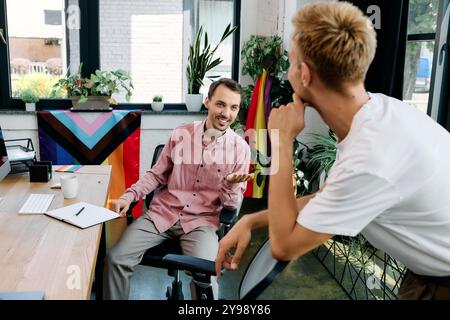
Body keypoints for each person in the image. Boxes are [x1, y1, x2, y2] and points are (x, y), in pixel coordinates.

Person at [216, 2, 450, 300]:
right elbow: (326, 197)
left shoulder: (370, 157)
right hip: (427, 272)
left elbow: (284, 245)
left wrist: (283, 141)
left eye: (290, 63)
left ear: (305, 74)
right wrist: (251, 219)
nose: (287, 72)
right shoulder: (376, 112)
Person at [104, 78, 252, 300]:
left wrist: (230, 185)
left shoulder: (240, 149)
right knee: (116, 259)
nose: (226, 113)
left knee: (207, 278)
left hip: (201, 223)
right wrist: (130, 196)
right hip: (162, 214)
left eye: (233, 107)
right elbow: (156, 174)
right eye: (220, 104)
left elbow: (231, 208)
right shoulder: (181, 134)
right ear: (207, 101)